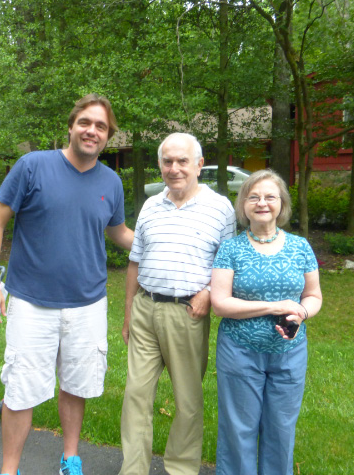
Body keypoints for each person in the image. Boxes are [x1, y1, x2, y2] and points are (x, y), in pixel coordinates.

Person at [0, 94, 134, 475]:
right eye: (85, 122)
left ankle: (70, 458)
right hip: (32, 303)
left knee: (76, 385)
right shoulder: (33, 166)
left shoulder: (111, 182)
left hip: (88, 303)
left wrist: (162, 244)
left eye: (101, 126)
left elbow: (118, 232)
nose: (92, 131)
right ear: (70, 126)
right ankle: (9, 469)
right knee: (20, 389)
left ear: (108, 136)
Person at [119, 133, 236, 475]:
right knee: (136, 394)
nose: (174, 168)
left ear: (199, 165)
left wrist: (209, 293)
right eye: (167, 161)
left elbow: (228, 264)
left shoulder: (220, 208)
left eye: (182, 161)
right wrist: (128, 315)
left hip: (186, 313)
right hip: (145, 309)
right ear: (160, 165)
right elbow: (135, 263)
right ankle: (133, 470)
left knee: (187, 400)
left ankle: (181, 469)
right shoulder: (151, 205)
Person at [210, 169, 323, 475]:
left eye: (270, 196)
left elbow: (313, 295)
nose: (262, 203)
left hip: (289, 352)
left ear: (281, 203)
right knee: (239, 427)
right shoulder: (231, 249)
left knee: (281, 428)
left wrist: (301, 313)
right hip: (239, 350)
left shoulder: (301, 247)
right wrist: (275, 306)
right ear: (243, 204)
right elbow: (220, 304)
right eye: (254, 197)